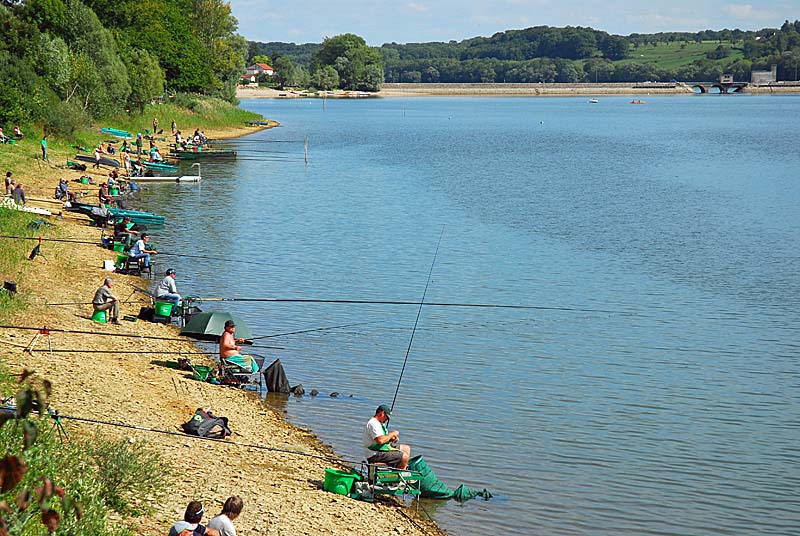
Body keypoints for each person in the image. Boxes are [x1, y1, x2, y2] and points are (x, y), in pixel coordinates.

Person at [362, 404, 411, 469]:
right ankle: (399, 473)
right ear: (382, 413)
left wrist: (391, 438)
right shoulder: (373, 423)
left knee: (406, 448)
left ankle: (400, 467)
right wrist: (393, 433)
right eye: (387, 417)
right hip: (374, 453)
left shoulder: (380, 423)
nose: (387, 420)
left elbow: (383, 438)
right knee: (404, 457)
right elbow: (380, 440)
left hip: (381, 448)